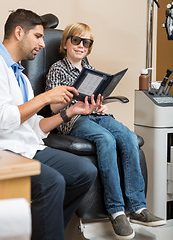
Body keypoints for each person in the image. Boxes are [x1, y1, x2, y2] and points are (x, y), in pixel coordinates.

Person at [0, 10, 101, 240]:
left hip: (25, 148)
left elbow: (33, 127)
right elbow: (0, 120)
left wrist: (71, 112)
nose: (43, 43)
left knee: (85, 172)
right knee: (53, 182)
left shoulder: (21, 77)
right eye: (38, 36)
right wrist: (46, 97)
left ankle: (46, 231)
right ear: (19, 32)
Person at [46, 22, 166, 240]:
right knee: (106, 139)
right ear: (65, 43)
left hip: (96, 115)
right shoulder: (58, 69)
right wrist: (73, 99)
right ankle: (116, 211)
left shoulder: (90, 70)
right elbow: (52, 107)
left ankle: (138, 208)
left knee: (129, 137)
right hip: (74, 120)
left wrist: (100, 105)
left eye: (87, 43)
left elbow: (95, 100)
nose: (81, 46)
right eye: (76, 40)